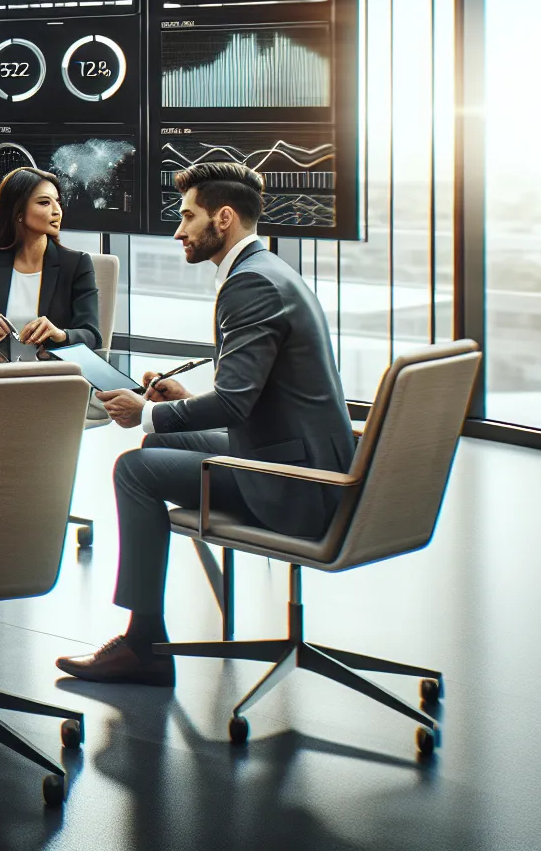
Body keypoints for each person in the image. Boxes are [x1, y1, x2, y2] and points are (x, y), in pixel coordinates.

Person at [56, 162, 354, 686]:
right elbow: (253, 396)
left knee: (134, 469)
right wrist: (179, 404)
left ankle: (143, 644)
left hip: (298, 485)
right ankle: (147, 631)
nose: (178, 230)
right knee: (161, 438)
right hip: (301, 454)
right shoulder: (270, 270)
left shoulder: (250, 286)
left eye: (188, 217)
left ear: (223, 218)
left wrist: (143, 410)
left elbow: (236, 405)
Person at [0, 166, 102, 351]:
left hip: (52, 374)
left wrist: (61, 335)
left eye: (57, 202)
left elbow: (92, 336)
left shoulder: (76, 264)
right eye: (44, 203)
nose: (57, 211)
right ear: (18, 212)